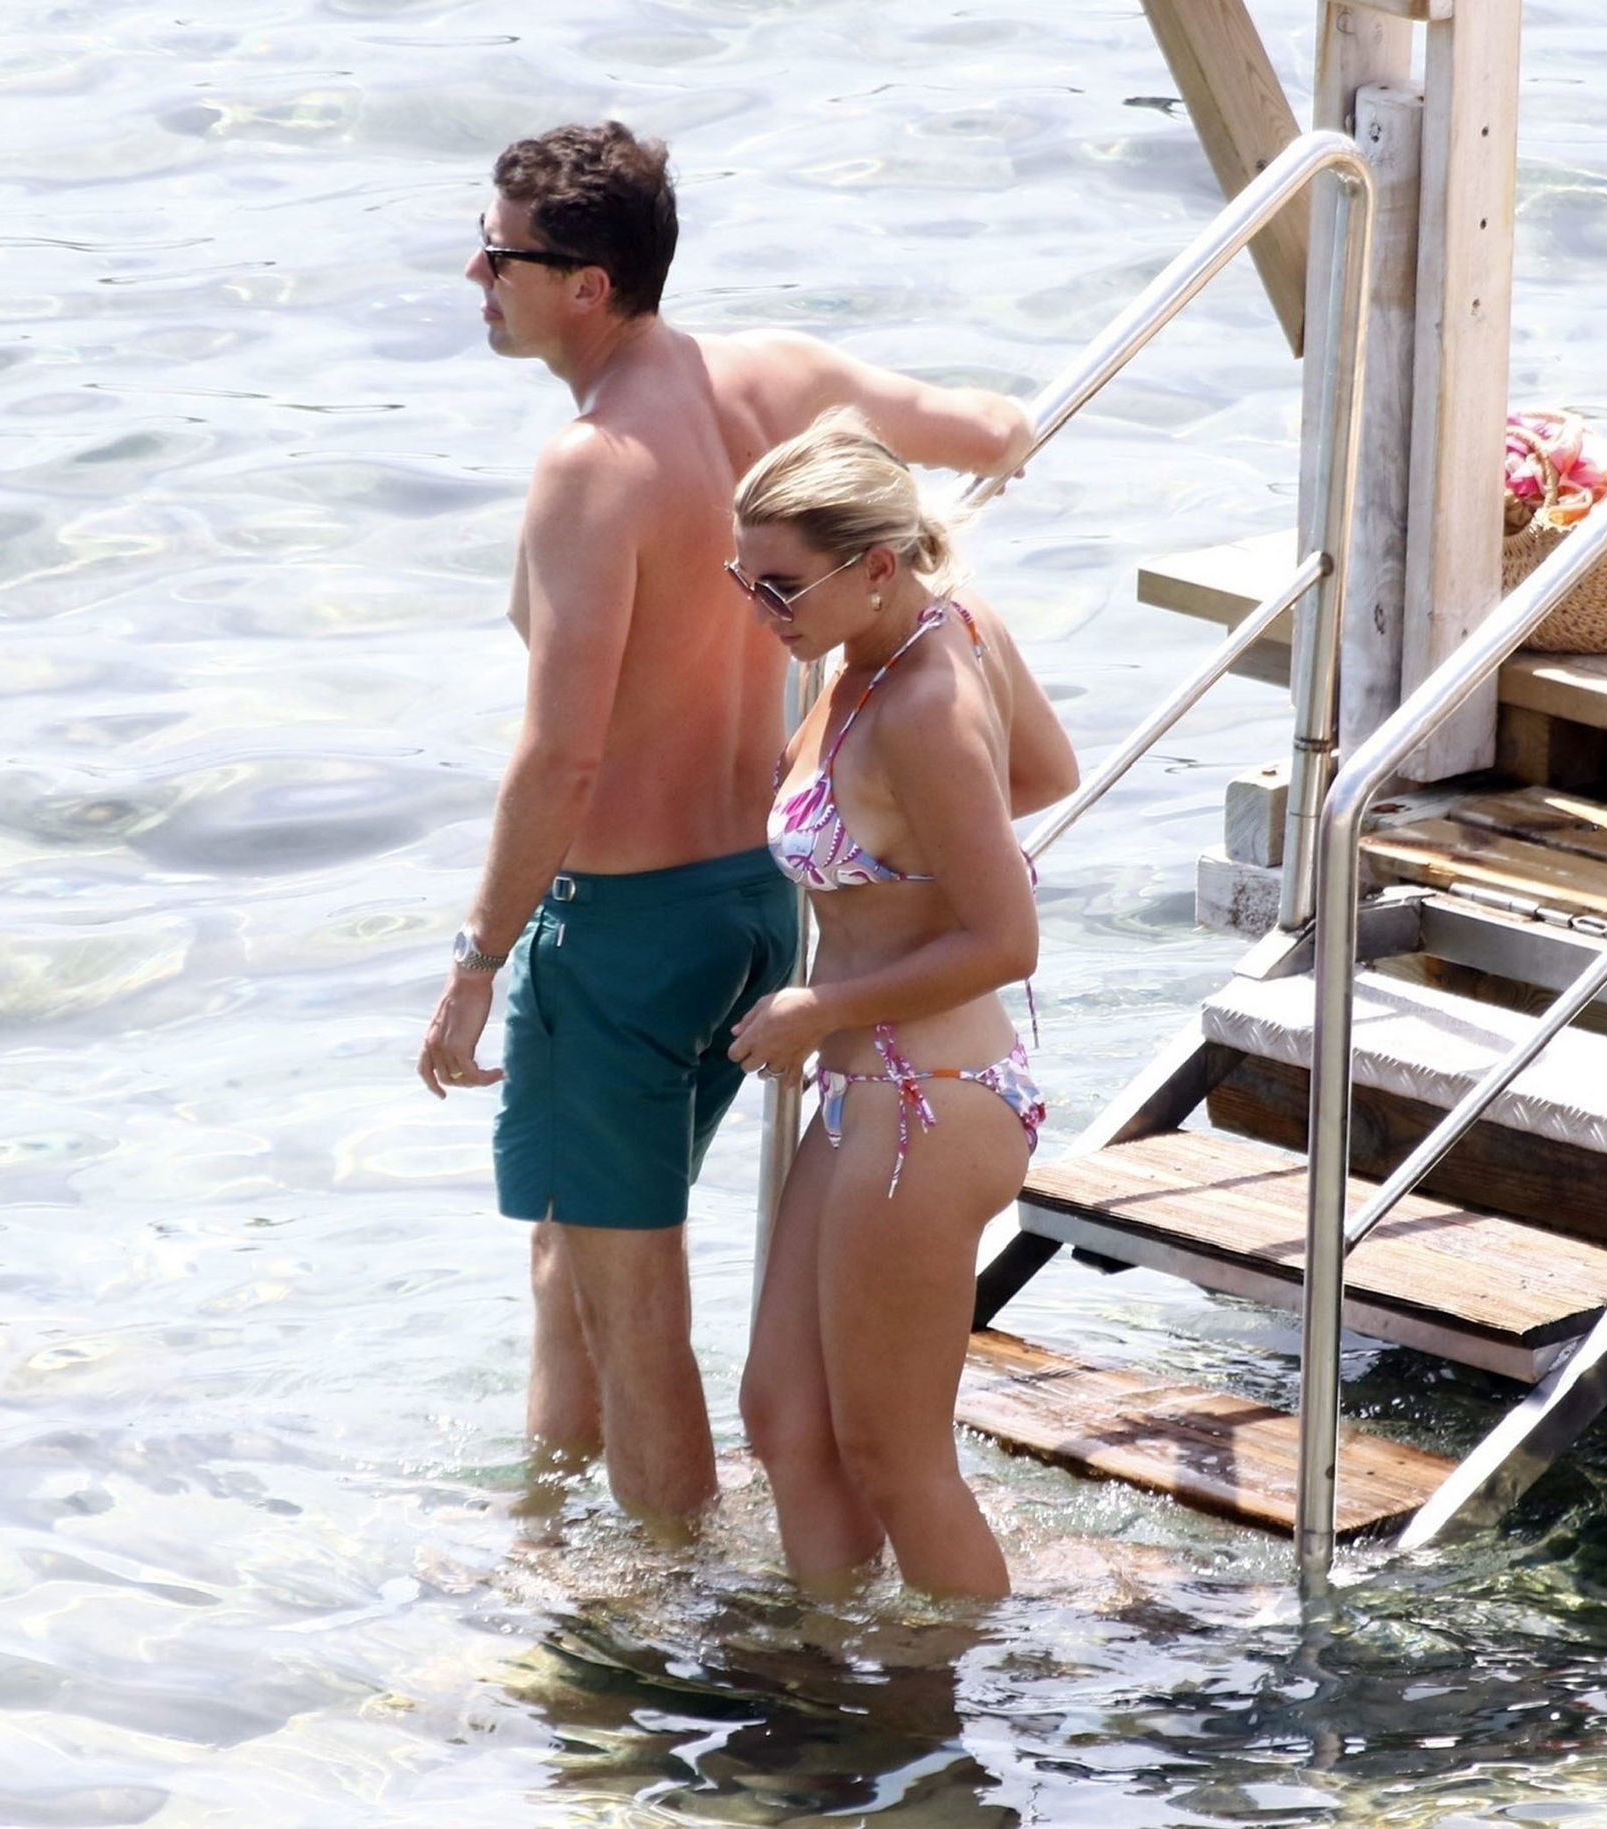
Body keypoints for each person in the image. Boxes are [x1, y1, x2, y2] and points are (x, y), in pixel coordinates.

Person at [415, 121, 1033, 1531]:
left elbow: (562, 754)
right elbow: (995, 431)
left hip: (625, 927)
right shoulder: (782, 381)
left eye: (500, 256)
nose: (476, 275)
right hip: (757, 903)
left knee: (633, 1296)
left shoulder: (592, 465)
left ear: (587, 285)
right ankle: (546, 1536)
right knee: (576, 1247)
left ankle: (665, 1611)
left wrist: (475, 962)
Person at [726, 411, 1078, 1600]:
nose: (759, 609)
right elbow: (1046, 771)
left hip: (931, 1094)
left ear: (876, 564)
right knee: (783, 1415)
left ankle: (959, 1682)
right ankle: (837, 1658)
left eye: (780, 585)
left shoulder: (926, 697)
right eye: (743, 576)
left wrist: (821, 1003)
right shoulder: (914, 631)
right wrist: (926, 841)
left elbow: (1007, 939)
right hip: (868, 1088)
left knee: (893, 1454)